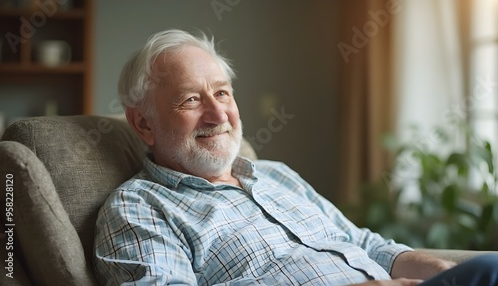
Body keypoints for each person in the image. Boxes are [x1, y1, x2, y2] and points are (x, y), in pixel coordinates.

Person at [93, 29, 498, 286]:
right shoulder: (140, 207)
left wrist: (445, 273)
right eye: (191, 99)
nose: (218, 114)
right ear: (143, 124)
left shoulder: (276, 175)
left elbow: (363, 244)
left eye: (222, 93)